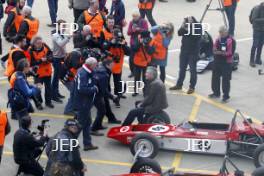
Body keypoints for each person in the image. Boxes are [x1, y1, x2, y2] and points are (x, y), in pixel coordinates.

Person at [170, 16, 202, 94]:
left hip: (193, 52)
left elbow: (197, 37)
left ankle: (192, 87)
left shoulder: (198, 26)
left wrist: (189, 30)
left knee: (192, 70)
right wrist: (183, 26)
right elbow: (179, 33)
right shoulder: (185, 25)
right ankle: (179, 84)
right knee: (182, 69)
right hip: (184, 51)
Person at [72, 57, 99, 151]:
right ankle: (70, 143)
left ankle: (87, 144)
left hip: (86, 103)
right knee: (80, 125)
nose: (96, 66)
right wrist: (93, 89)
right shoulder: (83, 74)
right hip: (83, 103)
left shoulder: (86, 71)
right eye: (95, 65)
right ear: (91, 65)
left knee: (87, 123)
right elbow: (81, 89)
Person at [91, 59, 121, 135]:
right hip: (96, 95)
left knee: (102, 109)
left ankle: (98, 125)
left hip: (96, 93)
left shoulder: (101, 69)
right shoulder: (103, 74)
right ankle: (93, 129)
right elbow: (103, 89)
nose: (113, 66)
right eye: (112, 65)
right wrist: (112, 96)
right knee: (101, 111)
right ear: (107, 65)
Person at [209, 26, 234, 103]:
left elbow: (230, 53)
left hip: (226, 63)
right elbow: (214, 47)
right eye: (219, 32)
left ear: (226, 32)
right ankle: (216, 93)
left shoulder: (231, 41)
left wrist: (221, 53)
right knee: (215, 78)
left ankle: (226, 96)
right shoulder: (218, 39)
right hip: (217, 61)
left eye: (221, 32)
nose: (220, 34)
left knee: (225, 80)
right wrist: (215, 51)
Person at [29, 36, 55, 108]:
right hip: (37, 73)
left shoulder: (45, 46)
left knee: (48, 88)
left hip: (47, 72)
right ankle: (39, 103)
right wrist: (40, 60)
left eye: (40, 43)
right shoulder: (30, 51)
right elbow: (30, 63)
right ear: (34, 43)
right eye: (38, 43)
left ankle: (48, 102)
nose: (40, 44)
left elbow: (51, 55)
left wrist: (48, 59)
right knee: (38, 90)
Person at [107, 27, 130, 107]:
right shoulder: (109, 40)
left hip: (118, 68)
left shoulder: (123, 42)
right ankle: (108, 96)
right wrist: (111, 43)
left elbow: (129, 52)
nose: (116, 38)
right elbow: (104, 48)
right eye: (115, 36)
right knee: (107, 83)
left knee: (117, 84)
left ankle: (117, 99)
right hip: (109, 66)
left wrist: (123, 45)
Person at [51, 20, 71, 103]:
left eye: (65, 26)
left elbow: (63, 46)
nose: (64, 28)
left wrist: (65, 53)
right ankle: (53, 95)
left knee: (59, 76)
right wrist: (68, 37)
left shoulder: (61, 34)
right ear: (58, 26)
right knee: (56, 77)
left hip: (61, 57)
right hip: (57, 59)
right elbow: (61, 44)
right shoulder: (56, 35)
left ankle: (56, 93)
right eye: (62, 26)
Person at [132, 30, 154, 97]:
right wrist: (139, 43)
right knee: (137, 78)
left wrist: (146, 45)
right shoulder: (138, 39)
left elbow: (151, 52)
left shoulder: (151, 40)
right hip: (137, 62)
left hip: (146, 63)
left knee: (145, 79)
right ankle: (136, 91)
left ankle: (145, 92)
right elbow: (134, 49)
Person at [61, 49, 83, 115]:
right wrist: (82, 62)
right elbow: (75, 66)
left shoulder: (74, 53)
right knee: (73, 94)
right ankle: (68, 110)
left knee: (75, 93)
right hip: (67, 77)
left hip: (67, 76)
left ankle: (74, 107)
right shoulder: (75, 55)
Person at [127, 11, 148, 78]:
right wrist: (133, 30)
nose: (134, 18)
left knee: (142, 57)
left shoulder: (143, 22)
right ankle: (132, 72)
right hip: (133, 43)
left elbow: (146, 31)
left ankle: (142, 71)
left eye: (135, 16)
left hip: (141, 42)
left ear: (139, 16)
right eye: (133, 16)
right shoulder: (131, 22)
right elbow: (128, 32)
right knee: (131, 59)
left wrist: (139, 29)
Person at [249, 2, 264, 67]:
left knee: (261, 44)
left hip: (263, 29)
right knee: (255, 44)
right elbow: (253, 19)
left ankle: (257, 58)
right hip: (257, 29)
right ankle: (251, 60)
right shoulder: (257, 8)